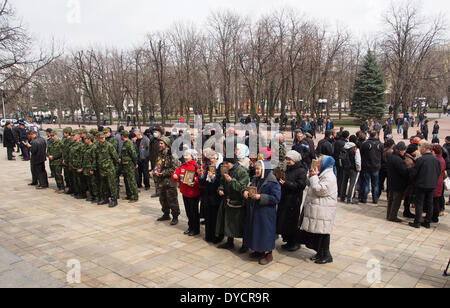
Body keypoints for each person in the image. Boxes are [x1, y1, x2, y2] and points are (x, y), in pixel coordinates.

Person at [296, 156, 338, 265]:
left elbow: (319, 190)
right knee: (318, 233)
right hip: (318, 208)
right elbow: (310, 184)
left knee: (323, 233)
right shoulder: (321, 173)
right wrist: (311, 175)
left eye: (319, 162)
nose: (317, 164)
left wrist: (314, 177)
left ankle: (326, 255)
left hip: (324, 209)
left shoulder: (329, 176)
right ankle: (320, 253)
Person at [243, 160, 281, 266]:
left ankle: (268, 254)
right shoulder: (255, 178)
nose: (256, 171)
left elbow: (276, 198)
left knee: (265, 232)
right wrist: (245, 191)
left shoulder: (272, 182)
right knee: (256, 231)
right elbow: (250, 187)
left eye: (258, 169)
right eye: (256, 169)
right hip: (255, 210)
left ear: (265, 169)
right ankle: (258, 250)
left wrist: (261, 197)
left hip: (266, 213)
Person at [216, 157, 250, 253]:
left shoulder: (242, 171)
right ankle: (229, 242)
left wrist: (231, 180)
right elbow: (222, 182)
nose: (225, 165)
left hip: (238, 202)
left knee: (240, 224)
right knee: (228, 222)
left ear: (233, 163)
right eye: (224, 163)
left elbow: (242, 188)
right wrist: (220, 189)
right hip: (227, 200)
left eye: (227, 163)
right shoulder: (226, 170)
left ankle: (245, 245)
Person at [277, 150, 307, 252]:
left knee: (292, 221)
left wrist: (286, 184)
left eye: (289, 159)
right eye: (287, 159)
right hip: (285, 198)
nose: (288, 161)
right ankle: (287, 240)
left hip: (294, 200)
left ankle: (294, 242)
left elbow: (301, 185)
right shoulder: (287, 169)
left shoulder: (301, 171)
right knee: (284, 220)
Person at [409, 141, 441, 229]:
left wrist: (414, 180)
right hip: (432, 185)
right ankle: (427, 222)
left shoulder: (421, 159)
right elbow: (438, 172)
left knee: (419, 203)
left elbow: (414, 173)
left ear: (424, 149)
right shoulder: (436, 160)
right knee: (430, 203)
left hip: (421, 184)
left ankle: (417, 221)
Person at [172, 149, 202, 236]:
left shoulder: (197, 166)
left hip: (193, 193)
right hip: (185, 192)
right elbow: (177, 174)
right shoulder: (183, 166)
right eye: (184, 155)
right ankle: (190, 227)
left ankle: (196, 229)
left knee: (194, 212)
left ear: (192, 156)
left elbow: (201, 178)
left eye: (187, 155)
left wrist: (195, 182)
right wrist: (174, 176)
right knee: (188, 211)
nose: (185, 157)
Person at [154, 136, 180, 225]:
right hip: (161, 181)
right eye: (159, 143)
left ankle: (175, 216)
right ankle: (166, 214)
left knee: (172, 199)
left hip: (170, 181)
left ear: (166, 144)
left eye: (161, 143)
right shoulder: (160, 154)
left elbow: (175, 168)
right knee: (162, 199)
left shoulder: (173, 154)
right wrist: (155, 171)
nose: (159, 145)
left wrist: (163, 173)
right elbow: (158, 164)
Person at [199, 151, 224, 243]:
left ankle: (217, 237)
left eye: (213, 158)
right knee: (208, 217)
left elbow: (221, 182)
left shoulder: (221, 169)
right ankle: (208, 235)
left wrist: (213, 178)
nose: (211, 160)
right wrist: (201, 175)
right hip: (207, 197)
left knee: (215, 218)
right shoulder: (209, 168)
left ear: (218, 159)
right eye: (211, 158)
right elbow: (203, 182)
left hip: (216, 197)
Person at [386, 142, 409, 222]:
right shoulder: (399, 160)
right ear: (400, 150)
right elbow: (404, 172)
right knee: (396, 201)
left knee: (391, 200)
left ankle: (389, 215)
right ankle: (392, 216)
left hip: (391, 182)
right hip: (398, 183)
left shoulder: (391, 157)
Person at [95, 132, 119, 208]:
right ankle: (105, 198)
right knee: (104, 185)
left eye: (103, 137)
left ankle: (114, 199)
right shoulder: (97, 146)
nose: (102, 139)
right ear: (98, 138)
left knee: (112, 185)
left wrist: (113, 167)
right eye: (101, 138)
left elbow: (115, 157)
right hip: (102, 169)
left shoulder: (109, 146)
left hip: (109, 169)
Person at [360, 131, 383, 204]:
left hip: (367, 166)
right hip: (376, 166)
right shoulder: (380, 144)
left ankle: (364, 198)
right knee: (375, 184)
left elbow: (361, 153)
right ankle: (375, 199)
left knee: (366, 183)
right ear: (376, 135)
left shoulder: (365, 144)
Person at [340, 135, 362, 204]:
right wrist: (358, 169)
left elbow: (340, 158)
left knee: (344, 182)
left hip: (345, 167)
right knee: (352, 184)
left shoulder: (344, 147)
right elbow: (357, 160)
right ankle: (350, 199)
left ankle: (342, 197)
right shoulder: (355, 149)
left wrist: (342, 166)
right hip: (353, 168)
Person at [120, 131, 139, 203]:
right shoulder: (125, 143)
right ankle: (129, 195)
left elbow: (134, 155)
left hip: (129, 165)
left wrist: (135, 163)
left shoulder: (129, 144)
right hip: (125, 165)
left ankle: (134, 196)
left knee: (131, 180)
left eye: (121, 135)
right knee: (126, 180)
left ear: (123, 136)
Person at [68, 130, 87, 199]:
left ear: (78, 136)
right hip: (73, 166)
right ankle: (77, 192)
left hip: (79, 166)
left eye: (74, 135)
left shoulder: (82, 145)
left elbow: (84, 157)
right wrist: (70, 165)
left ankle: (82, 193)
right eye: (72, 135)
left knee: (80, 181)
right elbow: (70, 156)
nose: (72, 137)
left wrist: (82, 167)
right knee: (75, 180)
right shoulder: (72, 145)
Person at [82, 134, 98, 203]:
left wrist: (92, 169)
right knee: (89, 183)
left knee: (93, 183)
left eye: (86, 139)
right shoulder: (86, 147)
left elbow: (94, 159)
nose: (84, 140)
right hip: (86, 168)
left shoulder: (93, 147)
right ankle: (91, 195)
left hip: (91, 168)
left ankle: (96, 197)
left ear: (89, 139)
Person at [431, 144, 445, 223]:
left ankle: (434, 216)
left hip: (437, 182)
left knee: (435, 200)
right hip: (438, 182)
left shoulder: (439, 160)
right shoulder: (439, 159)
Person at [334, 131, 349, 200]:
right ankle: (341, 191)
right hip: (343, 161)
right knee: (342, 177)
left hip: (337, 160)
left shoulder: (337, 142)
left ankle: (338, 190)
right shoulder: (346, 143)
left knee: (339, 177)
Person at [61, 128, 74, 194]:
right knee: (67, 175)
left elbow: (69, 152)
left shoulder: (71, 141)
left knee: (71, 176)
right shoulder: (64, 139)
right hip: (64, 160)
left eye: (65, 133)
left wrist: (66, 160)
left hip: (68, 161)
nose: (63, 134)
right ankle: (69, 187)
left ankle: (72, 189)